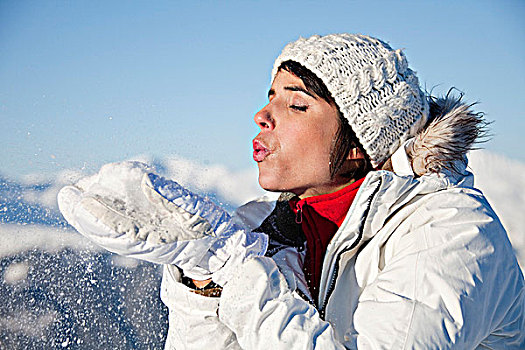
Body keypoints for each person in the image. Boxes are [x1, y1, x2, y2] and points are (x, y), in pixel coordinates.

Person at [58, 34, 524, 349]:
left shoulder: (453, 232)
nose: (263, 115)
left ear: (361, 146)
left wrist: (236, 270)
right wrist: (202, 278)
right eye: (270, 96)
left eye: (297, 104)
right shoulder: (270, 226)